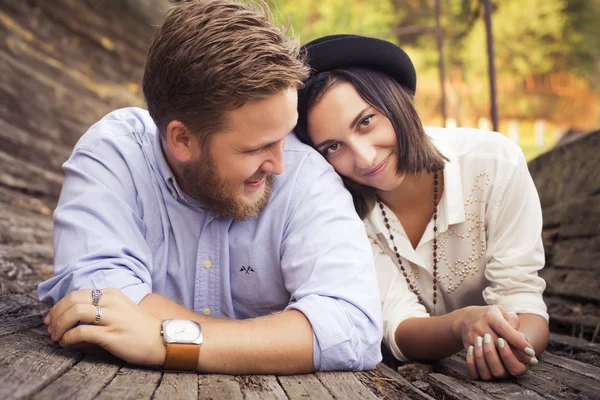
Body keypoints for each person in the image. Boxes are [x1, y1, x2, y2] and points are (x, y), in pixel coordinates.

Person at [38, 3, 383, 374]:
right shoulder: (114, 154)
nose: (279, 165)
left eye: (284, 137)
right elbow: (98, 303)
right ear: (182, 139)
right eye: (254, 148)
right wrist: (278, 339)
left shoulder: (306, 177)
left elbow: (352, 327)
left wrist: (170, 341)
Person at [295, 34, 549, 381]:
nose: (365, 157)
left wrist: (513, 346)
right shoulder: (340, 211)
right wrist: (463, 324)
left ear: (397, 99)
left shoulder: (495, 164)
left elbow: (522, 298)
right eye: (333, 147)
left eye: (366, 121)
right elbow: (397, 327)